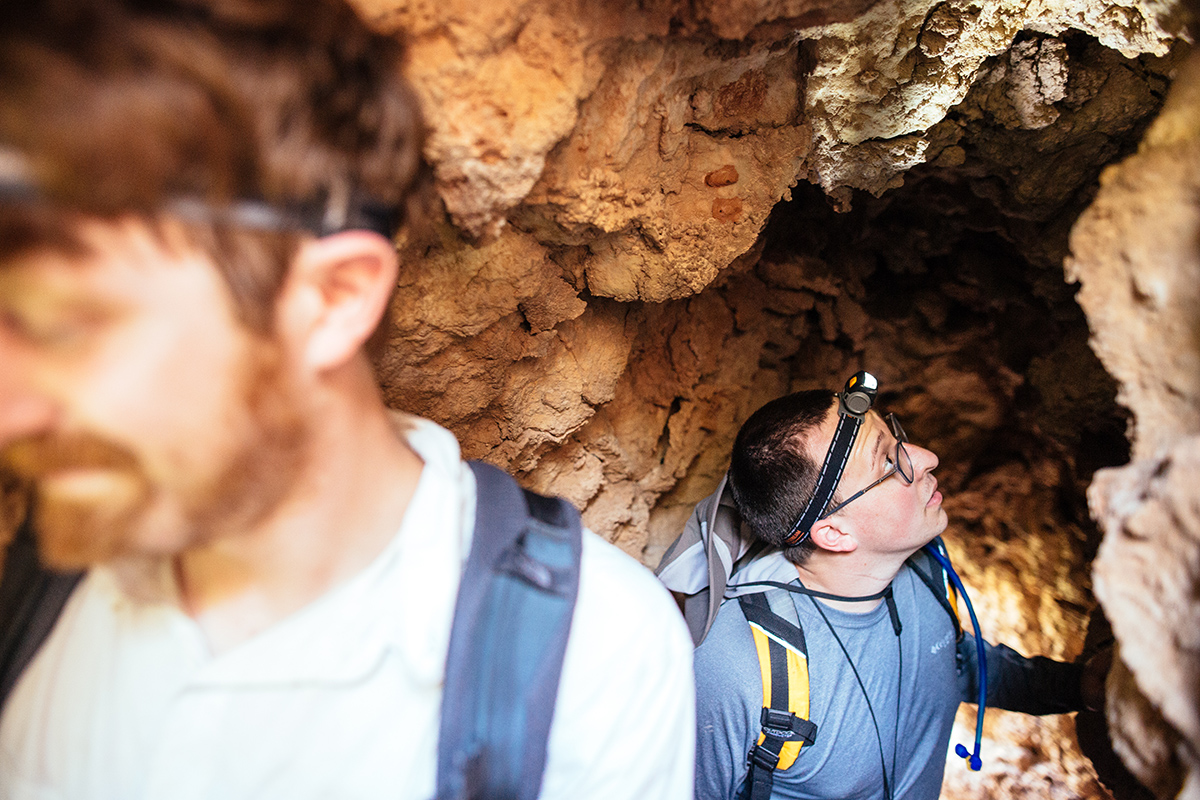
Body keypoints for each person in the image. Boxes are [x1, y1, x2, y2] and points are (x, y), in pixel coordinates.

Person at [0, 2, 694, 798]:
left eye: (63, 326)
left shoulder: (589, 665)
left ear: (332, 299)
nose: (11, 414)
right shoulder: (66, 558)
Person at [657, 374, 1108, 800]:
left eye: (898, 438)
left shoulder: (923, 576)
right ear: (834, 534)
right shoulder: (739, 668)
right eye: (889, 464)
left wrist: (1077, 686)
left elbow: (952, 662)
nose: (926, 456)